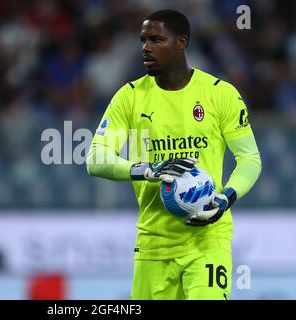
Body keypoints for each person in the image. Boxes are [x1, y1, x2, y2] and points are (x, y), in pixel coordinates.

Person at [86, 9, 261, 300]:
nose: (146, 47)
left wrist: (226, 197)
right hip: (154, 244)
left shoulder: (221, 94)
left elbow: (250, 159)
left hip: (207, 239)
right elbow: (96, 159)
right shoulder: (129, 97)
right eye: (143, 40)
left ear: (181, 42)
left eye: (156, 39)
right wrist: (149, 170)